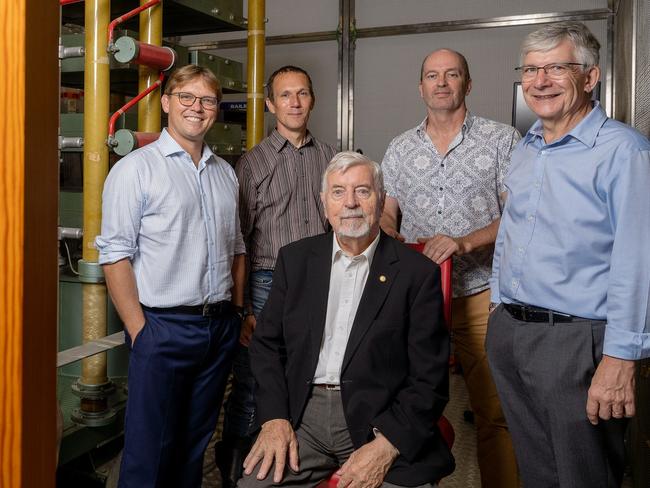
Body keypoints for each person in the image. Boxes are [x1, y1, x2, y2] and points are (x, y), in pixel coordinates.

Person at [487, 21, 650, 487]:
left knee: (583, 475)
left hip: (577, 343)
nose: (540, 81)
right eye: (532, 69)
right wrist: (499, 303)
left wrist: (621, 358)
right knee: (537, 470)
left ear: (590, 77)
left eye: (557, 67)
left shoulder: (624, 152)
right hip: (513, 333)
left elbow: (639, 263)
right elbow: (513, 231)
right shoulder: (528, 147)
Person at [238, 152, 454, 487]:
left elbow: (430, 377)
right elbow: (266, 346)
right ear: (325, 204)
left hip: (380, 418)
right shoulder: (295, 260)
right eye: (338, 192)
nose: (350, 202)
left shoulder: (416, 274)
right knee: (254, 485)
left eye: (363, 191)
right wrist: (275, 417)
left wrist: (387, 445)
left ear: (380, 201)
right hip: (301, 416)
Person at [96, 65, 246, 488]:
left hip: (217, 328)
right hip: (162, 328)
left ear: (216, 109)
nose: (197, 108)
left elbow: (237, 247)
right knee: (150, 452)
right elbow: (115, 256)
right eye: (187, 97)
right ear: (166, 103)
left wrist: (234, 313)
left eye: (207, 100)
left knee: (192, 448)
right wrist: (140, 330)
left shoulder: (225, 173)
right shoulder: (135, 170)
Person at [380, 49, 520, 487]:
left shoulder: (502, 140)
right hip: (418, 300)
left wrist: (465, 241)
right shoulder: (399, 149)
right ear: (421, 87)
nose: (441, 83)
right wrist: (391, 236)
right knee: (410, 408)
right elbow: (387, 212)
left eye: (452, 74)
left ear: (468, 84)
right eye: (432, 76)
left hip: (480, 295)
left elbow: (520, 213)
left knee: (494, 413)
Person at [216, 65, 336, 487]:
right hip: (267, 283)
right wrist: (245, 307)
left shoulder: (330, 158)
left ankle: (292, 462)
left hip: (322, 281)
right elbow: (240, 242)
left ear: (312, 99)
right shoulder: (253, 163)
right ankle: (238, 474)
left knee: (308, 372)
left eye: (302, 93)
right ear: (270, 105)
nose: (295, 102)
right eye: (285, 95)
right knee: (254, 381)